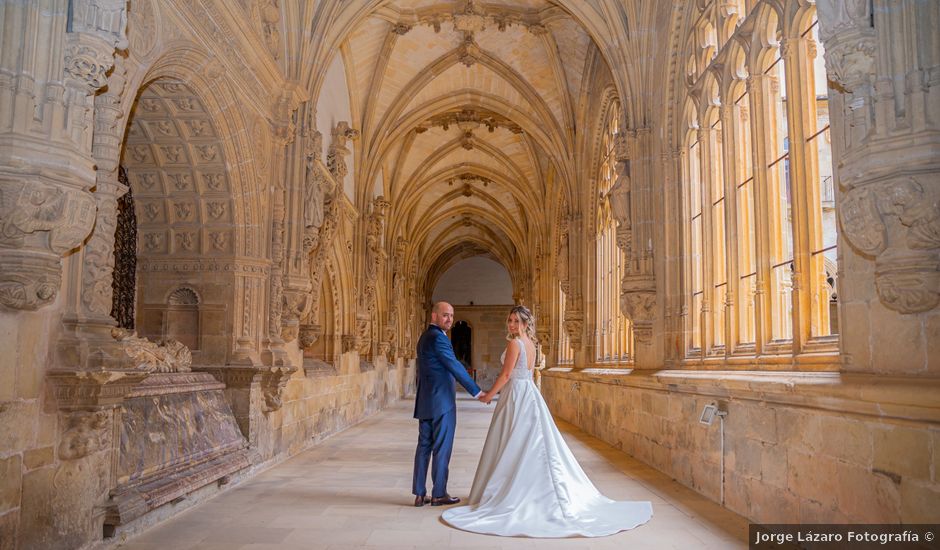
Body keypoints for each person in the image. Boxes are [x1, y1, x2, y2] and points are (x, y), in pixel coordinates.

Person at [441, 305, 653, 537]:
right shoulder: (531, 344)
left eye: (516, 321)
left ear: (524, 324)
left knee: (517, 442)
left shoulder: (515, 343)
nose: (511, 325)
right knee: (528, 442)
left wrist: (489, 395)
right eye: (510, 320)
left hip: (516, 395)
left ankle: (516, 492)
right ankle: (529, 488)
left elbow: (506, 374)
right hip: (529, 393)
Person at [412, 301, 487, 507]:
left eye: (452, 316)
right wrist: (477, 391)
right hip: (441, 402)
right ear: (434, 316)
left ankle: (419, 493)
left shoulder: (424, 337)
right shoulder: (438, 338)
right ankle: (438, 494)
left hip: (425, 401)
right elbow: (454, 365)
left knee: (424, 446)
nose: (450, 320)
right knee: (442, 447)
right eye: (445, 315)